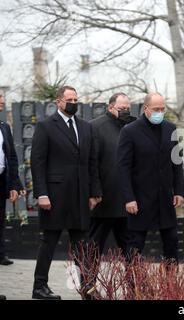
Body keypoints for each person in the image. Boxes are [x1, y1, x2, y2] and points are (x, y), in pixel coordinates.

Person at [31, 86, 102, 300]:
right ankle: (39, 287)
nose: (73, 102)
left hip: (80, 196)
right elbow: (38, 162)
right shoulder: (46, 126)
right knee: (49, 242)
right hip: (54, 195)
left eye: (76, 99)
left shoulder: (85, 127)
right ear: (59, 101)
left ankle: (88, 288)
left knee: (82, 244)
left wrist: (94, 193)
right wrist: (41, 193)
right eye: (69, 99)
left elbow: (92, 162)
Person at [117, 92, 184, 263]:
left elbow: (177, 162)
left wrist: (179, 191)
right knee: (135, 244)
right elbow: (123, 168)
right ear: (145, 109)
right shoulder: (130, 131)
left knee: (171, 242)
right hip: (140, 199)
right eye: (156, 109)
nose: (159, 112)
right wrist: (129, 198)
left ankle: (171, 285)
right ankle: (133, 285)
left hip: (165, 199)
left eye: (162, 109)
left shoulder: (171, 128)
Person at [89, 93, 136, 256]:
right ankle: (87, 282)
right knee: (93, 247)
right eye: (121, 108)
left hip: (127, 201)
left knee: (131, 249)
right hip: (104, 200)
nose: (125, 111)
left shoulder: (133, 127)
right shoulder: (96, 127)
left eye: (128, 108)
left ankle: (135, 282)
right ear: (110, 107)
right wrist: (95, 192)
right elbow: (92, 163)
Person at [0, 92, 26, 301]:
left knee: (0, 220)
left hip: (1, 179)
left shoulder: (4, 127)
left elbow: (11, 157)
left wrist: (15, 184)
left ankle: (1, 253)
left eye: (2, 102)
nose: (2, 104)